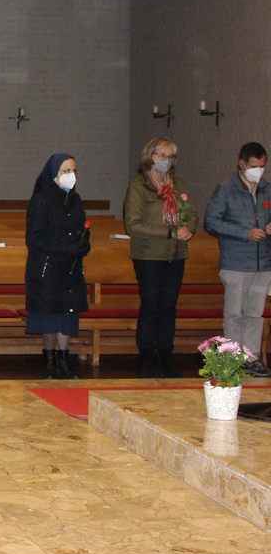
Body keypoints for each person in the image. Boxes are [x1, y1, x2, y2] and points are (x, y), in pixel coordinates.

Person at [124, 137, 197, 378]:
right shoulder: (139, 185)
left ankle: (165, 356)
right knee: (151, 305)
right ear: (151, 156)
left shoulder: (178, 184)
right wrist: (169, 232)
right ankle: (147, 357)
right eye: (161, 156)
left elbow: (191, 214)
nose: (166, 160)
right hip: (148, 255)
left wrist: (187, 229)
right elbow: (133, 224)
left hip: (176, 254)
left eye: (170, 156)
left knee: (168, 307)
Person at [204, 142, 271, 377]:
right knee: (234, 313)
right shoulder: (226, 189)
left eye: (262, 166)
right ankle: (232, 357)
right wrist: (245, 233)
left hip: (263, 263)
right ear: (242, 164)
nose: (258, 171)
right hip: (235, 262)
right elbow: (212, 221)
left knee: (255, 313)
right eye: (254, 166)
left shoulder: (267, 189)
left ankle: (251, 357)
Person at [24, 153, 89, 380]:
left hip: (70, 268)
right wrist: (65, 248)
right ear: (54, 173)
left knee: (67, 315)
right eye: (66, 171)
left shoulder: (75, 200)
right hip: (48, 268)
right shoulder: (41, 199)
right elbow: (35, 239)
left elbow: (81, 227)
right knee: (50, 316)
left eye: (74, 171)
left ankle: (64, 360)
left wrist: (83, 243)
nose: (71, 175)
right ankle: (50, 361)